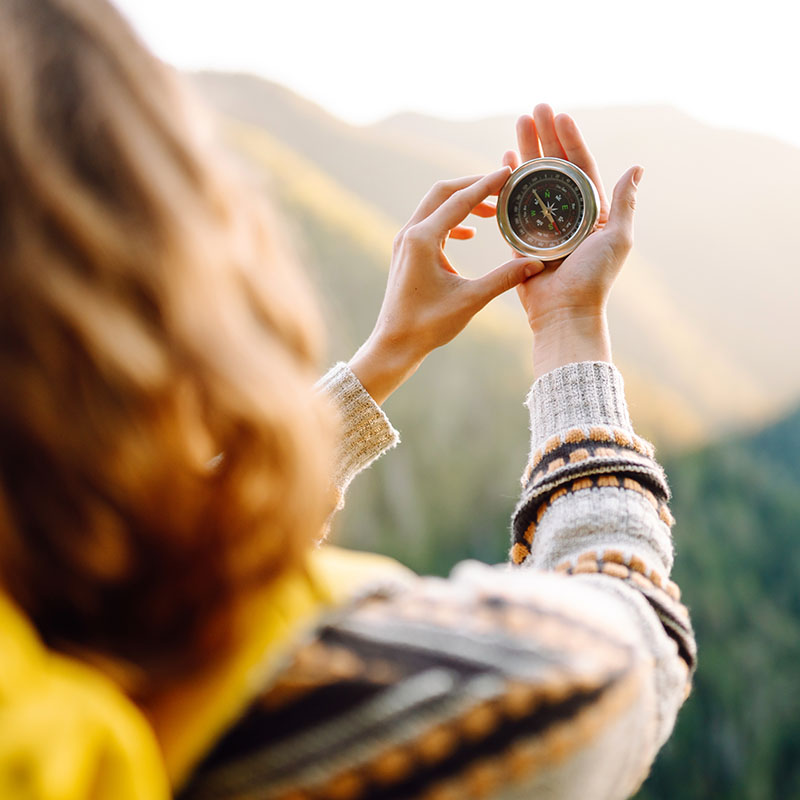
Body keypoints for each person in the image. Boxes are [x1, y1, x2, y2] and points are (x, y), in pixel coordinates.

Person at [0, 1, 695, 798]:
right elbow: (633, 655)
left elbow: (152, 540)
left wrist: (383, 359)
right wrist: (570, 328)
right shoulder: (330, 713)